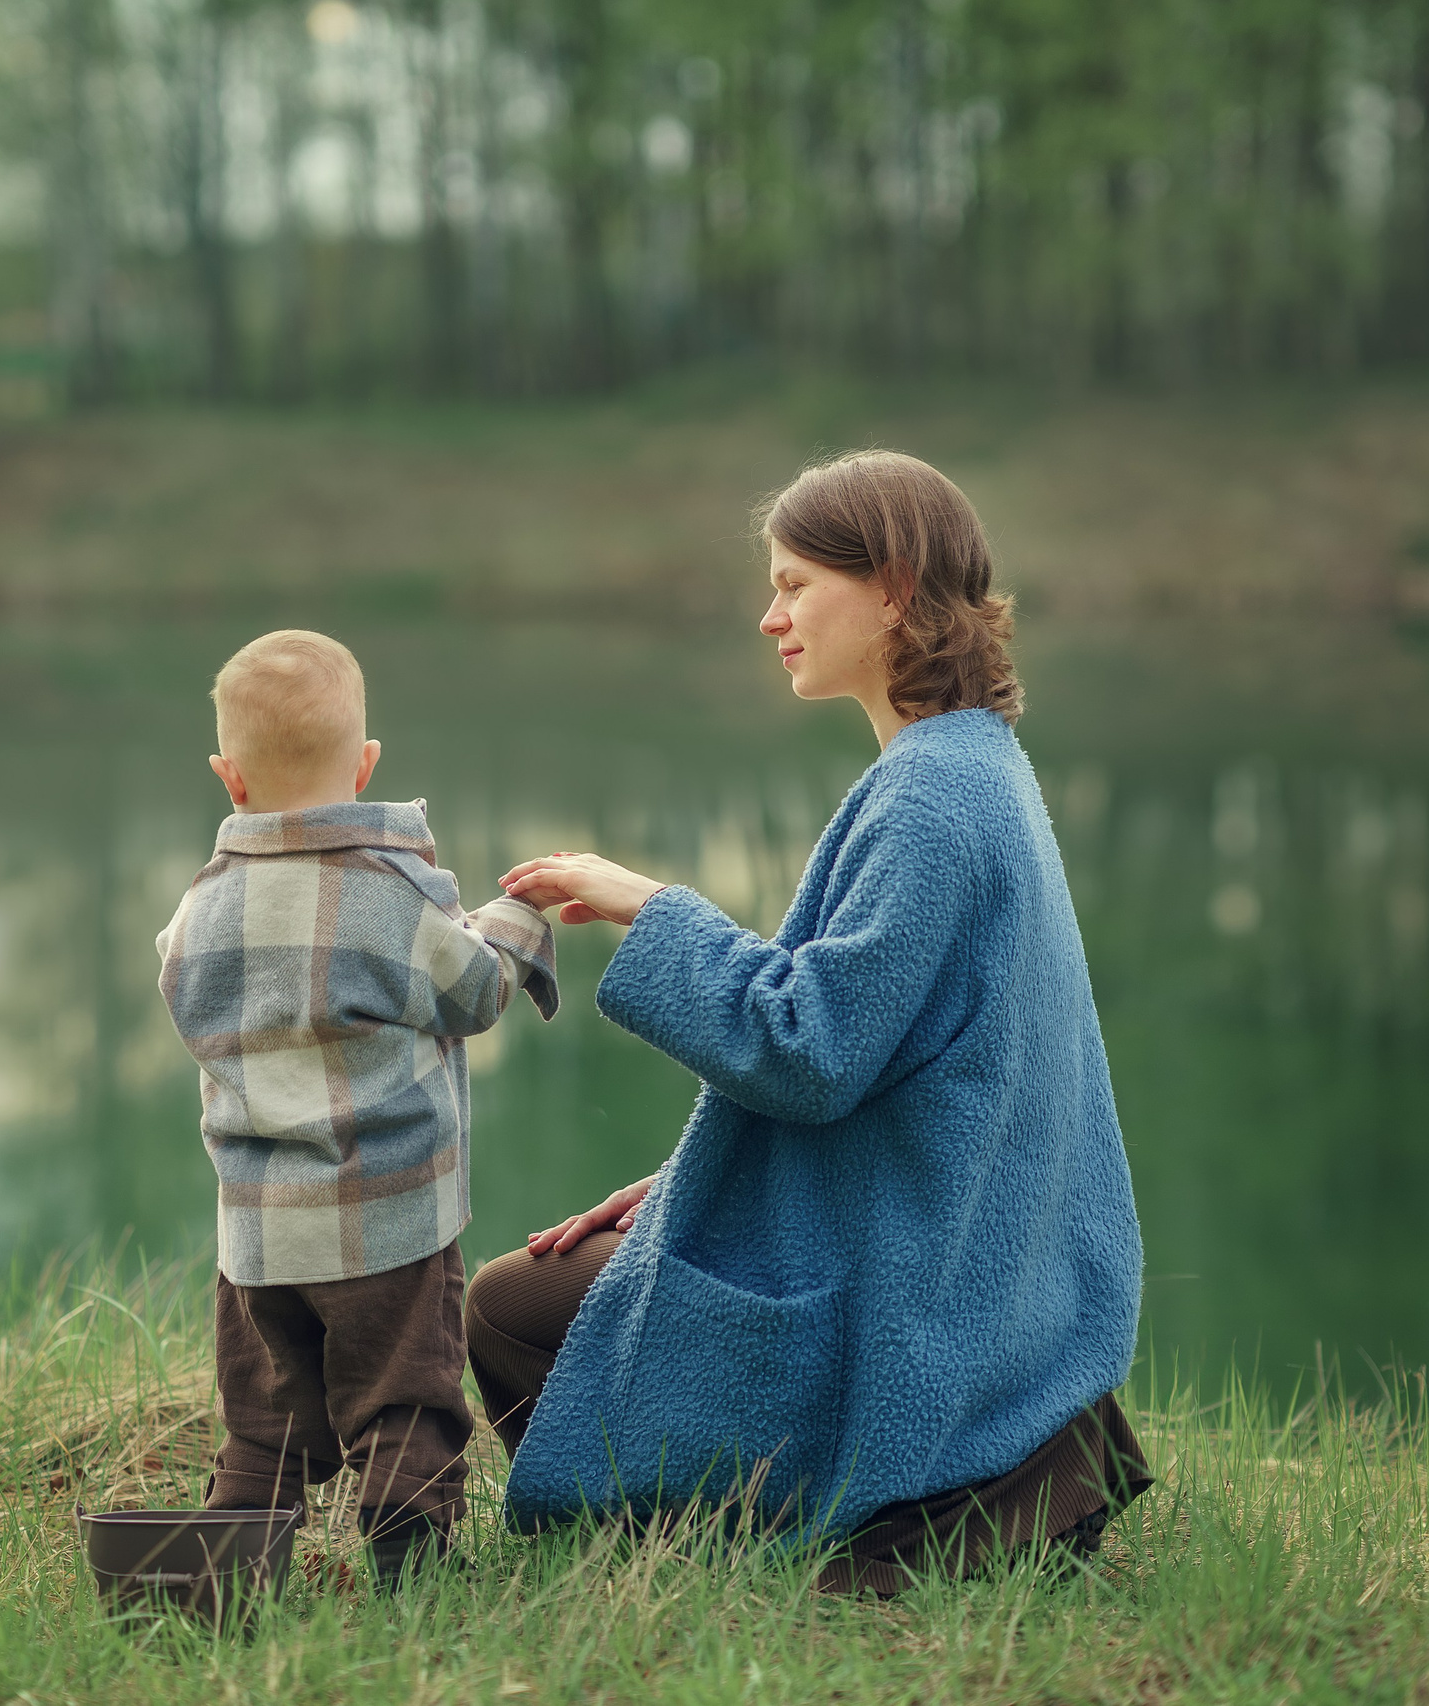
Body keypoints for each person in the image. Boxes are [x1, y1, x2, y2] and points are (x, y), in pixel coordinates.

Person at [478, 452, 1152, 1595]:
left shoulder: (934, 799)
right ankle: (957, 1498)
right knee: (580, 1279)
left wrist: (648, 907)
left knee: (504, 1312)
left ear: (890, 588)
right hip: (941, 1246)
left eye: (794, 585)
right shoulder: (973, 766)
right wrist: (704, 1173)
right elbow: (904, 1052)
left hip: (919, 1292)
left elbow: (810, 1049)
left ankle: (800, 1539)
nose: (769, 615)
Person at [155, 629, 558, 1587]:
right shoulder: (389, 894)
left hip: (255, 1236)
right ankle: (411, 1577)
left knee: (265, 1420)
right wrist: (517, 919)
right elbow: (477, 992)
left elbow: (180, 993)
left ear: (230, 776)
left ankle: (221, 1576)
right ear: (367, 763)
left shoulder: (198, 909)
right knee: (406, 1399)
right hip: (387, 1224)